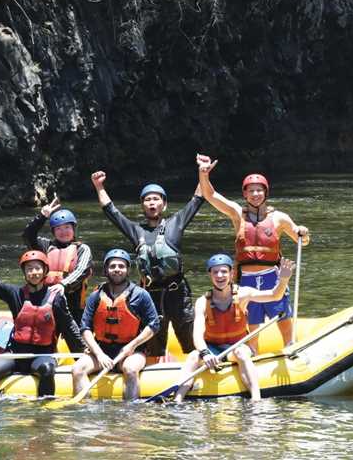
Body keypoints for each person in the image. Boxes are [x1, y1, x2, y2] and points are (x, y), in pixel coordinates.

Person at [196, 154, 309, 346]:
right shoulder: (237, 214)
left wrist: (303, 233)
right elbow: (211, 196)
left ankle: (290, 347)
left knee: (283, 318)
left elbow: (303, 241)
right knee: (252, 323)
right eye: (251, 191)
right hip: (247, 279)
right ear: (245, 194)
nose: (255, 194)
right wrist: (203, 174)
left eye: (259, 190)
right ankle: (253, 353)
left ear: (265, 193)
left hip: (272, 276)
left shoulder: (279, 218)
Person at [90, 170, 203, 359]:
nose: (152, 202)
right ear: (142, 205)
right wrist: (99, 186)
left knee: (188, 336)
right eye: (147, 199)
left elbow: (197, 200)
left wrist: (202, 172)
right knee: (153, 342)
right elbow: (111, 211)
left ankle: (196, 370)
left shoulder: (175, 224)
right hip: (150, 295)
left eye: (156, 199)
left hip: (177, 292)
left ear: (164, 204)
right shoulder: (136, 231)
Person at [174, 254, 295, 403]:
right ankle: (178, 399)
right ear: (210, 275)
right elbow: (197, 335)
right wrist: (205, 353)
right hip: (213, 349)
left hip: (237, 347)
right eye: (215, 272)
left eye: (224, 271)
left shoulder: (243, 294)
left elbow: (274, 296)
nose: (220, 275)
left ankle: (256, 399)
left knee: (241, 353)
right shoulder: (202, 302)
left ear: (231, 274)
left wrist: (283, 279)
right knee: (193, 356)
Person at [0, 244, 85, 398]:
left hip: (42, 355)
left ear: (45, 271)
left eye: (37, 268)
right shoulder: (15, 294)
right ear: (24, 273)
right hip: (16, 354)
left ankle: (42, 413)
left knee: (47, 370)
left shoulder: (56, 298)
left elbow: (69, 328)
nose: (34, 272)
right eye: (29, 269)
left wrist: (83, 355)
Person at [70, 249, 160, 400]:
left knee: (130, 370)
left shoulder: (141, 295)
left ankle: (130, 413)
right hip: (102, 349)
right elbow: (85, 328)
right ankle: (85, 413)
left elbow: (154, 324)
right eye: (112, 266)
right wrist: (99, 353)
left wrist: (131, 346)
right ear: (106, 270)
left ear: (127, 270)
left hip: (131, 350)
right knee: (77, 369)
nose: (117, 270)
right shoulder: (96, 296)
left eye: (121, 266)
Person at [22, 196, 93, 322]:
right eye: (58, 228)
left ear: (73, 229)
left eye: (67, 227)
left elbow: (81, 270)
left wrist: (63, 285)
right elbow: (27, 236)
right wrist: (42, 216)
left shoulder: (83, 249)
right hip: (46, 303)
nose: (63, 231)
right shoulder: (46, 247)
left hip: (73, 307)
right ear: (53, 232)